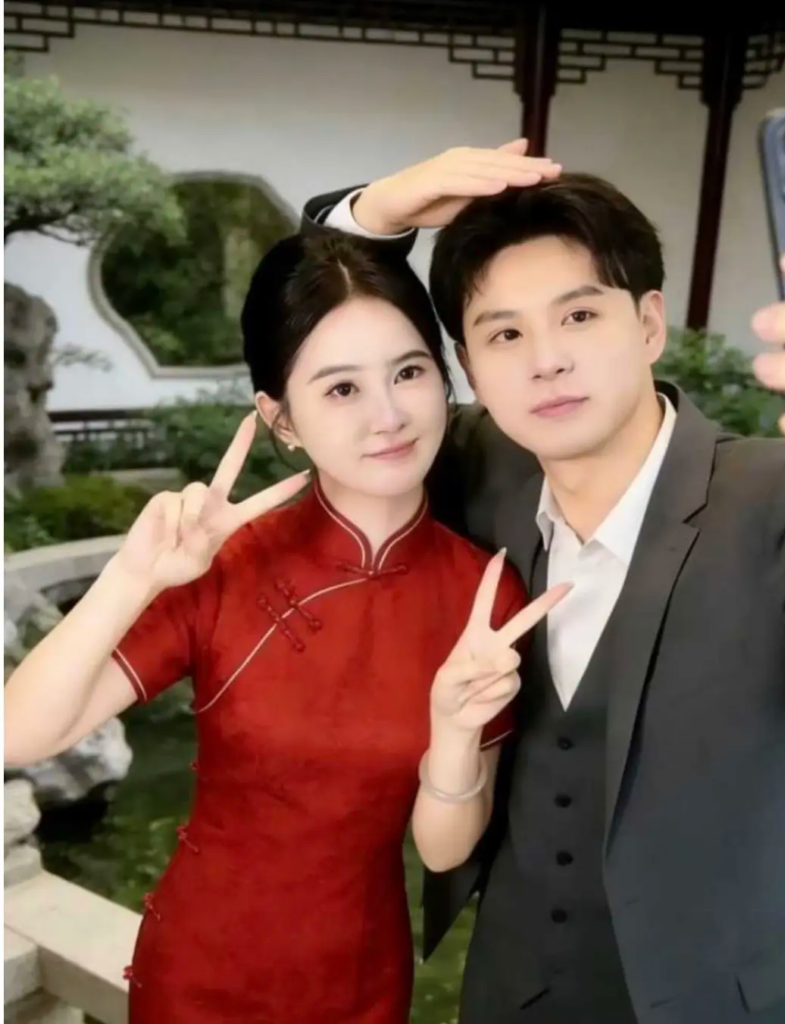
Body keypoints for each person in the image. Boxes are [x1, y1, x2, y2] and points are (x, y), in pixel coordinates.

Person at [301, 143, 785, 1024]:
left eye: (580, 316)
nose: (545, 360)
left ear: (648, 323)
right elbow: (334, 359)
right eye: (504, 334)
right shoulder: (478, 467)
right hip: (513, 990)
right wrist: (370, 221)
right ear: (468, 368)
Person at [3, 230, 568, 1024]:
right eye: (340, 389)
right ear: (282, 418)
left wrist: (451, 731)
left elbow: (443, 851)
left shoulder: (485, 594)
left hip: (362, 984)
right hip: (199, 979)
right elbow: (18, 737)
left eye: (409, 372)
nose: (388, 415)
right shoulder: (225, 564)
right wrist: (132, 578)